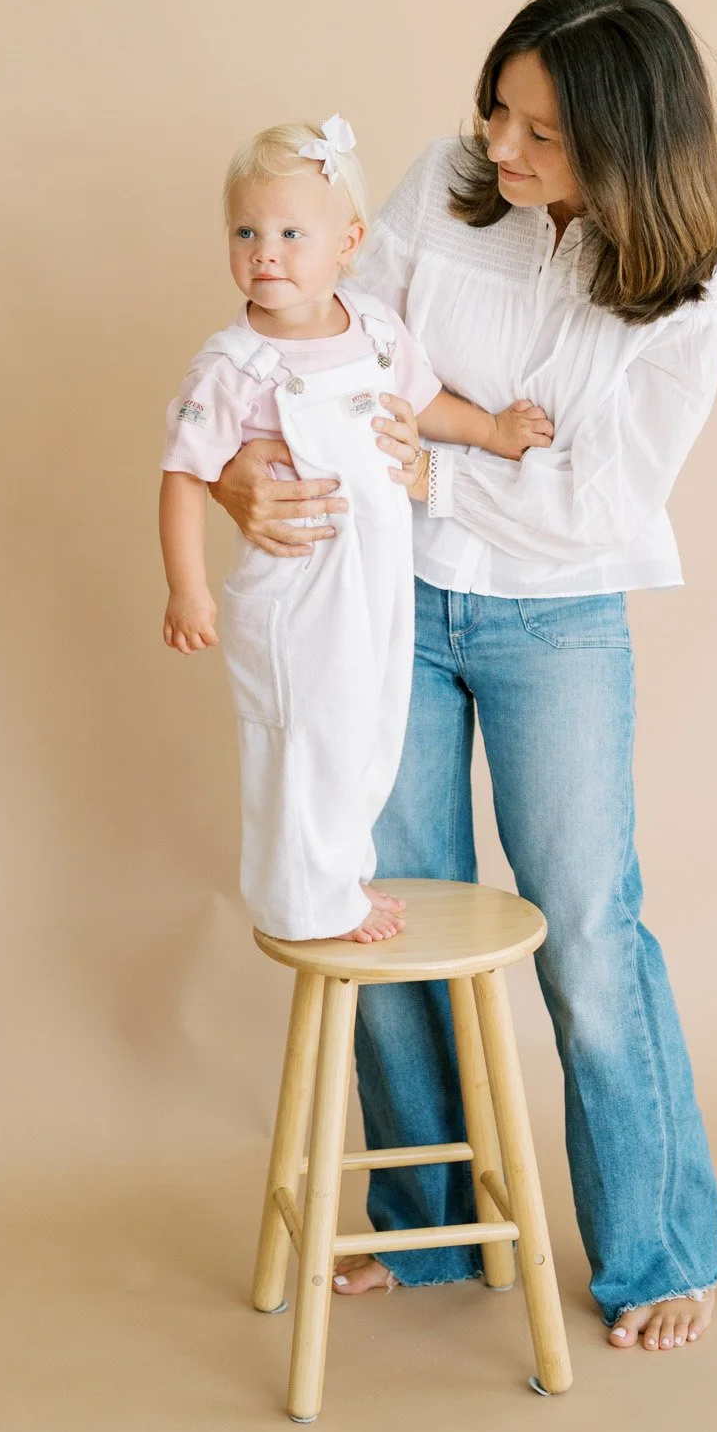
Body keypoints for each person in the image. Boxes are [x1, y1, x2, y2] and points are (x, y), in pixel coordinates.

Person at [212, 0, 717, 1353]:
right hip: (383, 598)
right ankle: (427, 1223)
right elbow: (329, 357)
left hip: (555, 618)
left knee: (585, 928)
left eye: (541, 137)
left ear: (628, 149)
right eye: (495, 111)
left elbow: (597, 510)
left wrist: (429, 472)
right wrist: (252, 477)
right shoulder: (451, 183)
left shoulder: (680, 301)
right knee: (383, 907)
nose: (496, 152)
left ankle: (658, 1250)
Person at [159, 116, 553, 943]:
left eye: (291, 233)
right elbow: (184, 476)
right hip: (295, 584)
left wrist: (491, 432)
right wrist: (187, 588)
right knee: (303, 735)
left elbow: (423, 402)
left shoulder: (372, 330)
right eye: (246, 231)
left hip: (376, 574)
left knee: (367, 729)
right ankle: (303, 901)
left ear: (349, 240)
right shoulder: (232, 365)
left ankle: (341, 881)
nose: (266, 251)